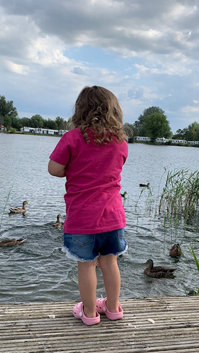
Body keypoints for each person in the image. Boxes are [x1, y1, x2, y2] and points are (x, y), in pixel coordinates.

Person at [48, 86, 129, 326]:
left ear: (80, 110)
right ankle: (113, 309)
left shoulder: (72, 138)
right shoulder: (120, 142)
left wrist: (72, 167)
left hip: (83, 218)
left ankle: (90, 313)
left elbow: (54, 169)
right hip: (113, 217)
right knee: (110, 261)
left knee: (86, 265)